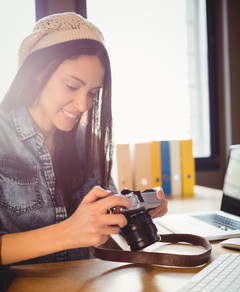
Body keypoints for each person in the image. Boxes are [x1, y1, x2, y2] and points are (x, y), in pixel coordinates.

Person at [0, 12, 167, 266]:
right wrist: (68, 233)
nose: (82, 105)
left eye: (92, 93)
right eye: (71, 86)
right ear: (36, 71)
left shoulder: (88, 143)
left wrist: (135, 213)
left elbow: (106, 222)